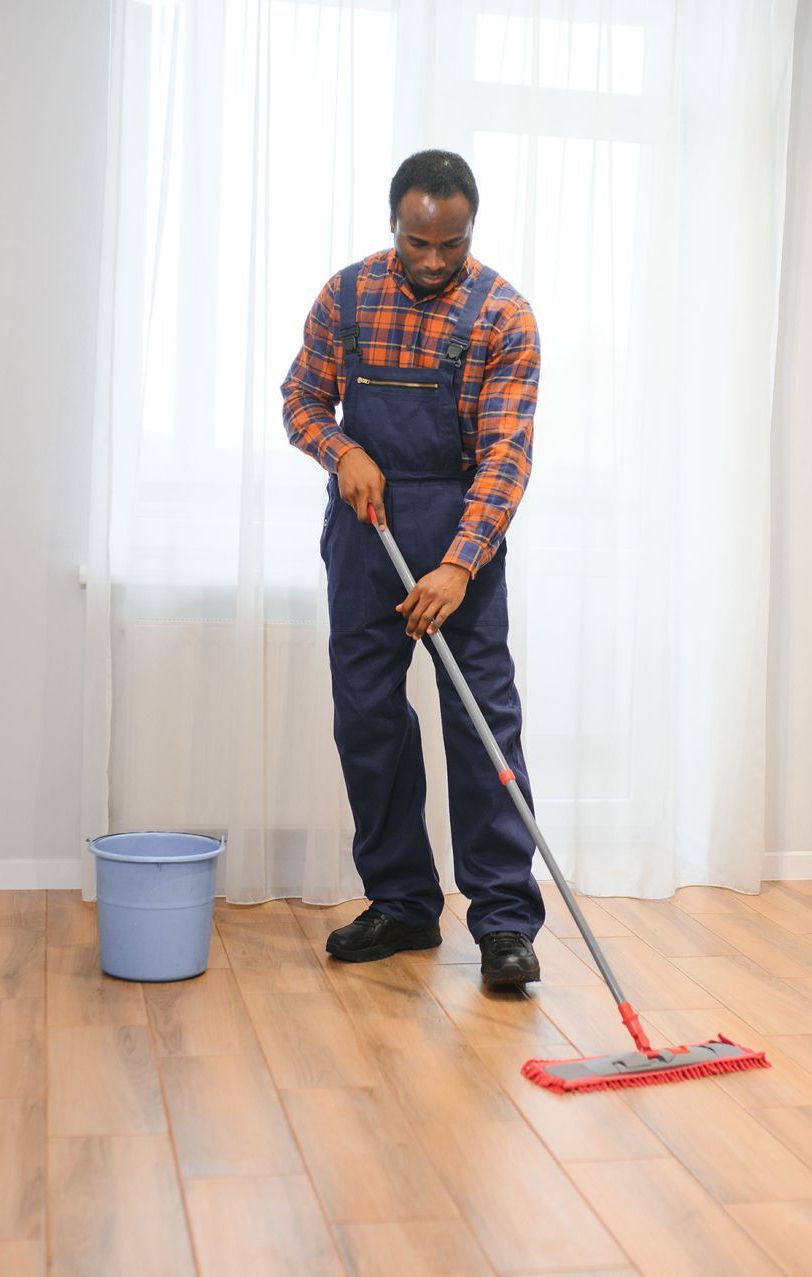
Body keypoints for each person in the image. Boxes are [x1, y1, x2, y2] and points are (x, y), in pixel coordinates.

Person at [281, 150, 544, 990]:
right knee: (367, 717)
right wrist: (341, 450)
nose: (433, 260)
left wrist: (459, 566)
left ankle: (504, 921)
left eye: (451, 244)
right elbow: (301, 398)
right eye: (417, 241)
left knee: (481, 725)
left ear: (472, 229)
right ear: (393, 222)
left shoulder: (503, 316)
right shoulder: (348, 296)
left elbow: (506, 458)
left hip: (463, 533)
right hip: (367, 533)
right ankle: (401, 902)